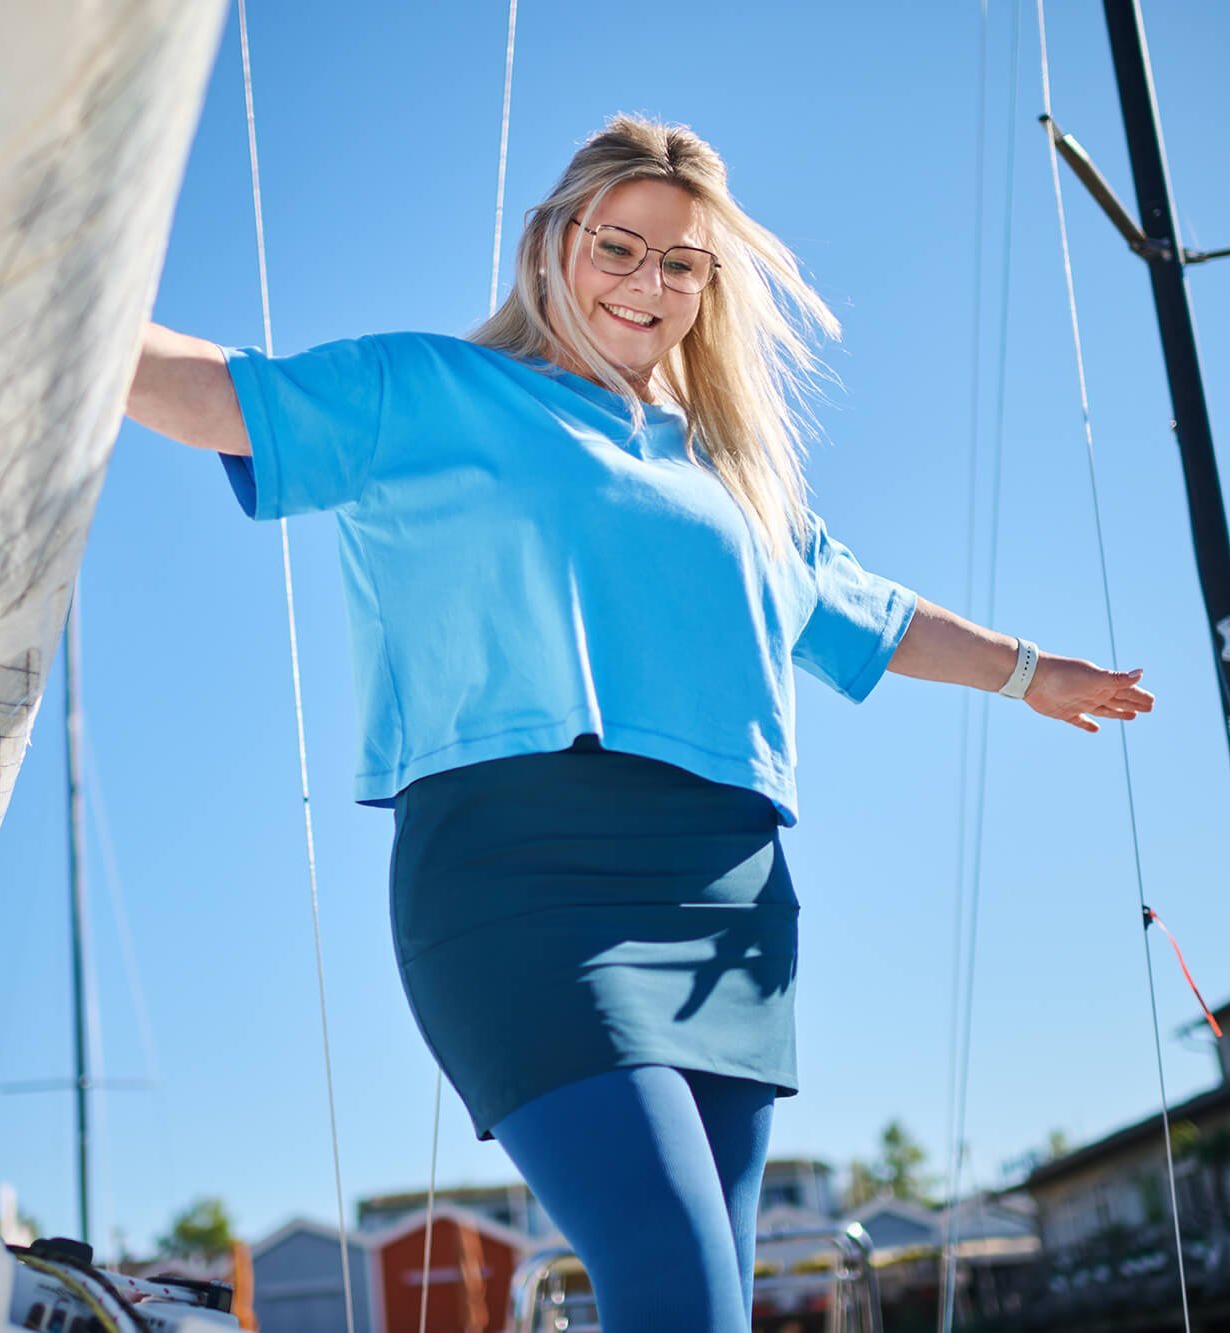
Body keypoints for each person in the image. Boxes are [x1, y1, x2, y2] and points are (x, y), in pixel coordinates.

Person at [125, 115, 1154, 1331]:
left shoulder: (739, 476)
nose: (647, 284)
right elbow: (208, 397)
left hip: (727, 899)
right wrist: (45, 307)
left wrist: (1029, 672)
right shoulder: (426, 390)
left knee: (707, 1297)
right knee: (670, 1273)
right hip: (515, 876)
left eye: (681, 264)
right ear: (555, 242)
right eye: (621, 246)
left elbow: (863, 610)